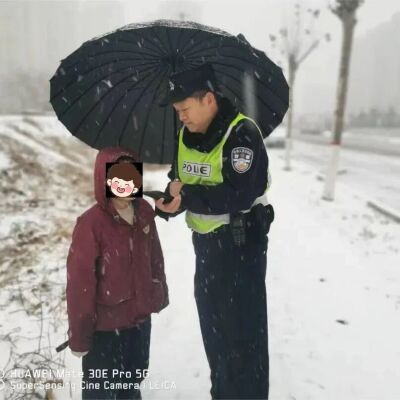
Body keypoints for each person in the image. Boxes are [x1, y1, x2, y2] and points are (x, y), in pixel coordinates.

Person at [155, 63, 274, 400]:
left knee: (244, 336)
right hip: (206, 247)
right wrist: (171, 203)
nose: (181, 117)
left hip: (241, 245)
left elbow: (239, 194)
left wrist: (188, 196)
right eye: (177, 111)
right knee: (216, 332)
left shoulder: (242, 134)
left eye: (185, 109)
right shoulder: (184, 135)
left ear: (208, 99)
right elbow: (180, 180)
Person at [66, 147, 168, 400]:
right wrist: (80, 335)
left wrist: (156, 293)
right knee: (101, 391)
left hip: (139, 324)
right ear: (104, 179)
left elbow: (155, 258)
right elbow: (80, 285)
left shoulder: (144, 212)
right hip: (105, 331)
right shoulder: (91, 224)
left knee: (131, 386)